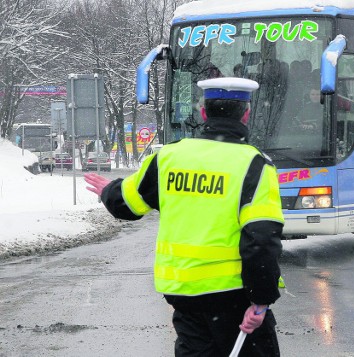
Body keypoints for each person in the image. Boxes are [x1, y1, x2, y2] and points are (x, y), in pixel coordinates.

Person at [84, 77, 284, 356]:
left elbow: (126, 206)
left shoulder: (168, 157)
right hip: (233, 298)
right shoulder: (255, 165)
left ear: (203, 112)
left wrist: (109, 190)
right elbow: (261, 239)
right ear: (246, 114)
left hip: (184, 295)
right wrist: (261, 301)